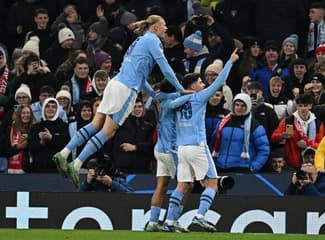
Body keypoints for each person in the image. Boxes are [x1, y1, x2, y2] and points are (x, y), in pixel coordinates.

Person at [53, 15, 185, 188]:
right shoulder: (153, 41)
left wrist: (153, 94)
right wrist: (180, 88)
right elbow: (166, 68)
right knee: (108, 132)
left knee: (96, 123)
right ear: (155, 28)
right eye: (164, 25)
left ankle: (64, 153)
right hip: (126, 89)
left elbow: (141, 76)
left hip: (114, 83)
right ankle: (76, 164)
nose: (166, 29)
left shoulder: (139, 41)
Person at [162, 49, 239, 232]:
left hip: (181, 149)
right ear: (193, 86)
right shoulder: (199, 97)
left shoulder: (177, 101)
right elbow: (218, 82)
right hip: (197, 146)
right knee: (212, 183)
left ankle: (169, 222)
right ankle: (200, 216)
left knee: (183, 185)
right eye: (200, 82)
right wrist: (230, 61)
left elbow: (168, 105)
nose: (204, 84)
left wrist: (184, 94)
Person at [145, 79, 191, 232]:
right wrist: (191, 92)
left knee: (161, 186)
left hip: (159, 149)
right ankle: (172, 220)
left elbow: (150, 89)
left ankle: (153, 222)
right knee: (186, 184)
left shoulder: (159, 97)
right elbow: (183, 96)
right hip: (170, 150)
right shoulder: (173, 99)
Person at [211, 93, 270, 173]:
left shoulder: (255, 126)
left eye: (243, 106)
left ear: (248, 106)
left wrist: (253, 167)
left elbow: (264, 150)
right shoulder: (223, 123)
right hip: (220, 167)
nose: (239, 108)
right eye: (237, 105)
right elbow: (213, 143)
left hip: (242, 170)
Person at [271, 94, 325, 168]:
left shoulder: (318, 124)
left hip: (313, 163)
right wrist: (281, 136)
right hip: (292, 163)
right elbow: (273, 137)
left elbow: (321, 145)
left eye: (305, 105)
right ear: (296, 106)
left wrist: (308, 144)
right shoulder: (288, 121)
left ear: (310, 106)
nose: (303, 108)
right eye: (300, 106)